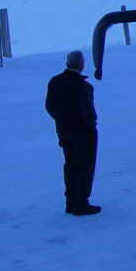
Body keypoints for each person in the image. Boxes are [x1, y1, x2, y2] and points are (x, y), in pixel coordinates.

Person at [44, 50, 100, 216]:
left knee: (70, 165)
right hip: (82, 133)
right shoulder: (83, 86)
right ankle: (81, 203)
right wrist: (90, 126)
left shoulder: (54, 82)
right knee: (84, 167)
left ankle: (70, 202)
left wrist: (61, 120)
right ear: (81, 64)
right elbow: (87, 112)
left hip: (63, 131)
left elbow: (49, 106)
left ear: (67, 63)